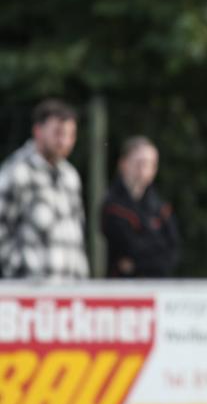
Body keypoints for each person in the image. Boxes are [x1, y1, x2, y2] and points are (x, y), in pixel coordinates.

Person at [0, 99, 89, 279]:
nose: (64, 141)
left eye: (71, 135)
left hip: (69, 289)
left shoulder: (70, 176)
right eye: (58, 133)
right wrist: (17, 270)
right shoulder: (17, 172)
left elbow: (77, 234)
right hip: (30, 293)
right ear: (38, 131)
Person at [101, 136, 180, 277]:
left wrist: (136, 263)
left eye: (150, 164)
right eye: (139, 163)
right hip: (121, 290)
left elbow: (172, 253)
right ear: (123, 164)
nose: (144, 170)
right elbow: (126, 246)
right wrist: (155, 249)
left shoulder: (161, 208)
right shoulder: (112, 206)